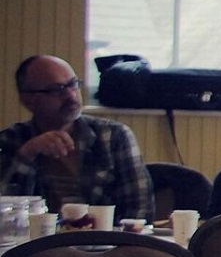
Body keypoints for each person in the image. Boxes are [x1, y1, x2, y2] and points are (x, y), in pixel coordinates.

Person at [0, 55, 154, 220]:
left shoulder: (113, 136)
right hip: (35, 237)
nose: (71, 96)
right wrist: (27, 154)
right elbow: (5, 213)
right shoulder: (10, 140)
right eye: (57, 89)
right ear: (28, 100)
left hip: (103, 236)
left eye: (73, 84)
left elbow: (140, 211)